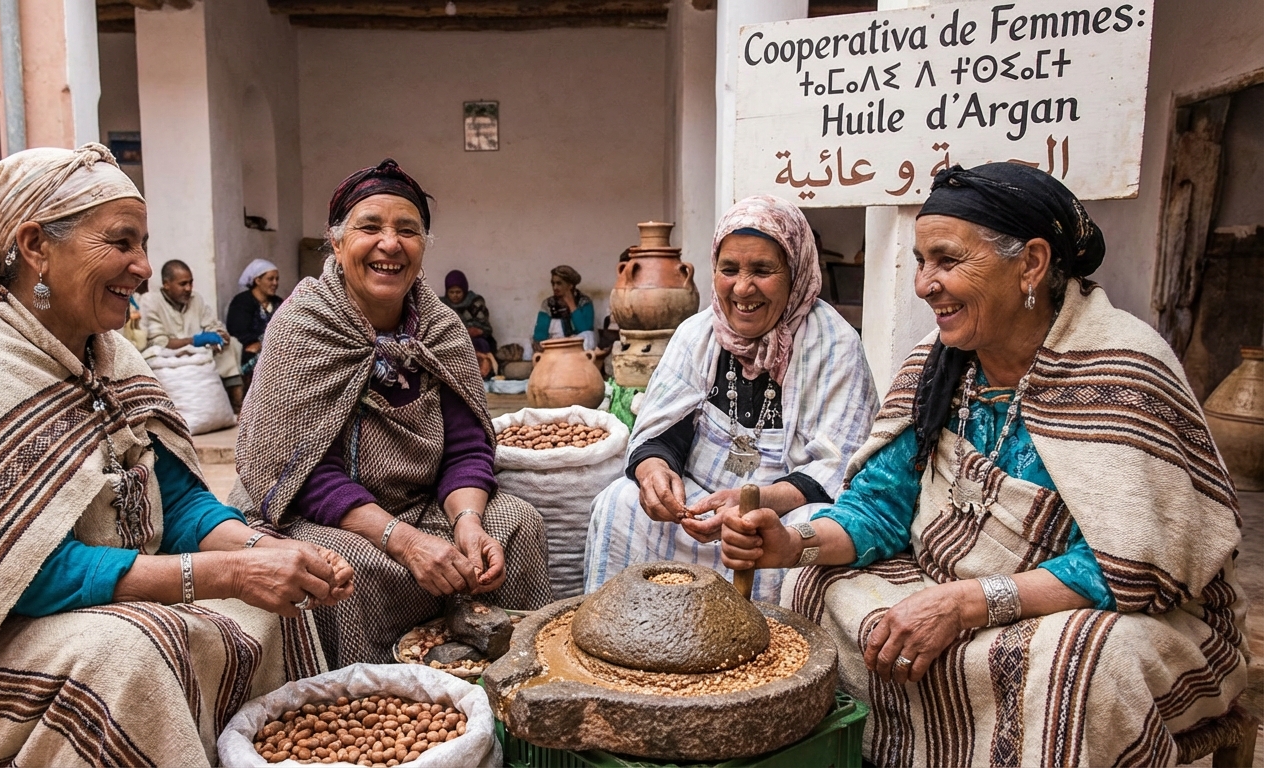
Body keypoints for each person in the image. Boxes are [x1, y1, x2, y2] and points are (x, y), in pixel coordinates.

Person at [719, 163, 1248, 766]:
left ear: (1031, 264)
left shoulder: (1122, 370)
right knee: (813, 583)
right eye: (921, 262)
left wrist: (967, 603)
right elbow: (880, 507)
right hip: (952, 582)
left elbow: (1133, 567)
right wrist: (793, 542)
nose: (925, 285)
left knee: (1080, 667)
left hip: (1111, 613)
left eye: (946, 260)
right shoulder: (938, 363)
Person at [0, 144, 354, 766]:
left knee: (274, 608)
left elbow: (175, 500)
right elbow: (10, 570)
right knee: (128, 657)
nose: (142, 267)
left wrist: (260, 550)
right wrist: (226, 573)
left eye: (144, 245)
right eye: (121, 243)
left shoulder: (111, 355)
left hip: (89, 601)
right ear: (35, 246)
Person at [231, 159, 552, 667]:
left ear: (423, 247)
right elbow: (301, 472)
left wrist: (467, 521)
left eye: (408, 230)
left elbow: (466, 447)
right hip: (319, 512)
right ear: (337, 243)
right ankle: (372, 696)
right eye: (370, 227)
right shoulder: (302, 326)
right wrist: (402, 541)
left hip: (421, 503)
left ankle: (511, 675)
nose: (390, 244)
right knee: (348, 567)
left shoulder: (440, 329)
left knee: (517, 522)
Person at [584, 196, 878, 603]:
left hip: (776, 516)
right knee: (619, 501)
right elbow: (661, 433)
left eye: (762, 270)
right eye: (729, 269)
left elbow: (838, 467)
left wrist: (756, 503)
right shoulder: (698, 334)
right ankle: (619, 628)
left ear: (796, 273)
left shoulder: (834, 345)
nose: (742, 288)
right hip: (697, 510)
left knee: (814, 526)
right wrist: (655, 473)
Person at [141, 259, 246, 411]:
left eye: (191, 283)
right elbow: (159, 342)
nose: (188, 288)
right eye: (183, 284)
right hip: (167, 356)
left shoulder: (196, 299)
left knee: (231, 345)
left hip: (198, 353)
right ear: (166, 284)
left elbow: (213, 325)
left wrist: (219, 335)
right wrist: (194, 341)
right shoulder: (150, 301)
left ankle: (238, 406)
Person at [226, 258, 284, 378]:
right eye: (270, 279)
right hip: (248, 354)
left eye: (277, 279)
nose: (275, 283)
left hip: (276, 349)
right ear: (257, 280)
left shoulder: (278, 303)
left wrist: (265, 344)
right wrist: (260, 344)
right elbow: (238, 333)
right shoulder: (242, 302)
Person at [441, 269, 498, 378]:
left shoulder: (476, 303)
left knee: (481, 345)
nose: (455, 295)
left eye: (458, 292)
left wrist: (478, 331)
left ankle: (480, 374)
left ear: (464, 290)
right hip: (451, 340)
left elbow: (487, 328)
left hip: (475, 340)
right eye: (451, 292)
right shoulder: (442, 305)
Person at [530, 264, 595, 355]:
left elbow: (585, 328)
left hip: (575, 348)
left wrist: (571, 303)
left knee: (589, 336)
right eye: (553, 283)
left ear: (570, 285)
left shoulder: (584, 301)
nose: (555, 287)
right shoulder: (548, 304)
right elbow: (540, 334)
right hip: (554, 347)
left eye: (559, 283)